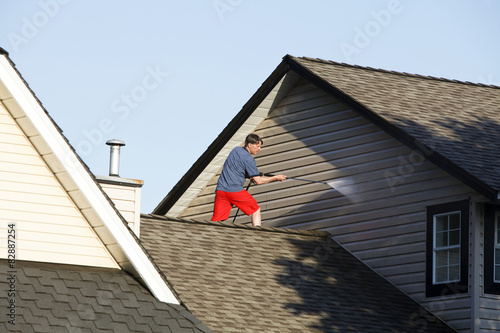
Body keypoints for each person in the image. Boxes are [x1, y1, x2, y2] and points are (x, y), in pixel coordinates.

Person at [211, 134, 286, 226]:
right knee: (255, 209)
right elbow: (258, 181)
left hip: (221, 190)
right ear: (250, 145)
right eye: (257, 146)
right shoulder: (249, 159)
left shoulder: (236, 150)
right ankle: (257, 233)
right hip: (234, 191)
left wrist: (249, 175)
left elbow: (236, 169)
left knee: (217, 220)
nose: (259, 149)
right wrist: (275, 178)